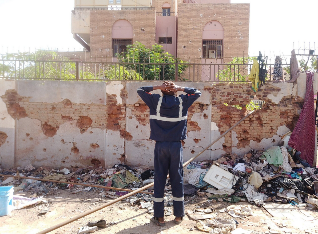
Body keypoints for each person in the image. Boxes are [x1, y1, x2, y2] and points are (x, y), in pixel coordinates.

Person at [137, 81, 201, 226]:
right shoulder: (182, 101)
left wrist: (158, 87)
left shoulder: (155, 101)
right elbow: (197, 92)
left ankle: (159, 218)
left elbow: (140, 90)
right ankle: (178, 216)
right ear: (174, 91)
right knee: (177, 178)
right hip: (175, 146)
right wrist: (181, 88)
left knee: (159, 178)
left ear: (163, 91)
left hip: (160, 146)